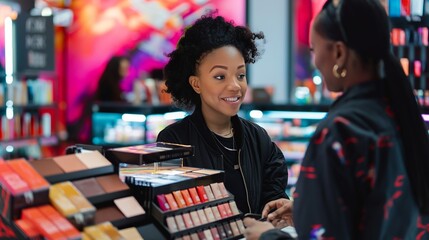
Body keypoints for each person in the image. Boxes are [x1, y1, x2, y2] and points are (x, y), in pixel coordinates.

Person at [244, 0, 429, 239]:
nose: (314, 61)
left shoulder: (340, 131)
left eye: (313, 49)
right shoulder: (398, 115)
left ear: (339, 53)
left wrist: (266, 236)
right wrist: (307, 212)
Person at [156, 14, 290, 214]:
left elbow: (273, 200)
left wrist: (281, 209)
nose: (235, 86)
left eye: (241, 75)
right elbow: (172, 215)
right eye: (220, 76)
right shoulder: (173, 141)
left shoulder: (258, 138)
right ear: (196, 83)